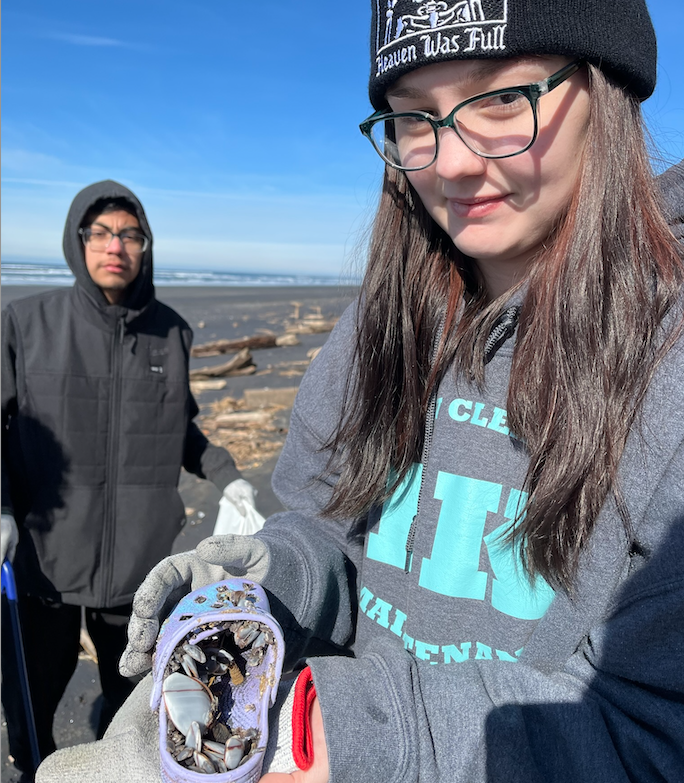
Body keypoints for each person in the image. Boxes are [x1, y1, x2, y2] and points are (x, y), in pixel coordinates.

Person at [37, 2, 684, 781]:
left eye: (503, 98)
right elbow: (333, 532)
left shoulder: (666, 360)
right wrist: (266, 585)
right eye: (415, 118)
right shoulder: (380, 327)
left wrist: (305, 731)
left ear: (608, 87)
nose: (450, 161)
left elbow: (651, 728)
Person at [1, 180, 258, 780]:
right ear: (78, 241)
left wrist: (226, 475)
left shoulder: (171, 332)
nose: (114, 245)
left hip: (139, 568)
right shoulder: (25, 324)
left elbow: (180, 425)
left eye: (129, 234)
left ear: (146, 246)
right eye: (101, 233)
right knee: (31, 705)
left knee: (133, 714)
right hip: (44, 561)